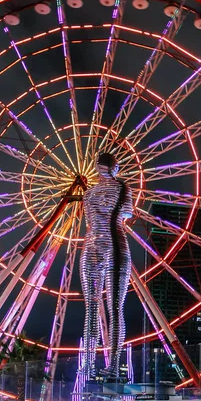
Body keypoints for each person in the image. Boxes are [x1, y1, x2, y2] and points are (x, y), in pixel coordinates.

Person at [80, 152, 133, 379]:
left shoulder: (87, 194)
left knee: (91, 309)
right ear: (114, 168)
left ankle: (89, 366)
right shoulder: (123, 188)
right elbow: (126, 214)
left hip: (91, 246)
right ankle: (113, 367)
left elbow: (89, 222)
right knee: (115, 308)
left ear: (97, 167)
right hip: (115, 244)